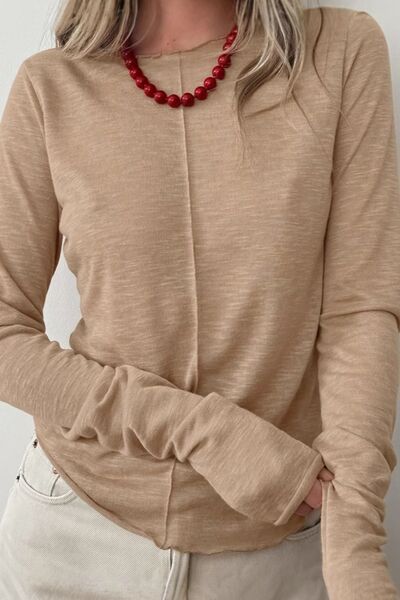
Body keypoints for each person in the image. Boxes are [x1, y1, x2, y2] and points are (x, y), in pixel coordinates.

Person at [0, 0, 399, 598]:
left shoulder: (338, 53)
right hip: (73, 534)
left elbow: (359, 309)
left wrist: (353, 547)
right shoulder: (50, 87)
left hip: (276, 551)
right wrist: (208, 434)